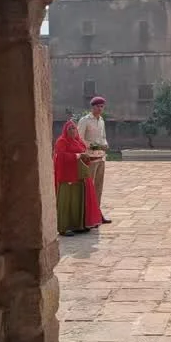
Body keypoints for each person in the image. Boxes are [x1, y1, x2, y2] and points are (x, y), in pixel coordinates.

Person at [54, 120, 104, 237]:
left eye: (74, 129)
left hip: (80, 175)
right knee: (66, 201)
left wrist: (87, 157)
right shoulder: (62, 141)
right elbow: (60, 156)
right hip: (67, 177)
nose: (73, 131)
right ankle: (64, 227)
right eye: (70, 129)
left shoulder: (78, 141)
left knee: (77, 201)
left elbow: (83, 153)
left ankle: (78, 225)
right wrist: (78, 156)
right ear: (65, 131)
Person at [77, 95, 112, 224]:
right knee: (89, 187)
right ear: (92, 107)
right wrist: (94, 146)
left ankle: (97, 213)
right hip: (90, 158)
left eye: (102, 106)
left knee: (98, 187)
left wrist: (105, 145)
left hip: (100, 157)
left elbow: (103, 137)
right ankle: (86, 215)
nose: (100, 109)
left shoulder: (101, 120)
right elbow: (79, 138)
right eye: (98, 106)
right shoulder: (85, 120)